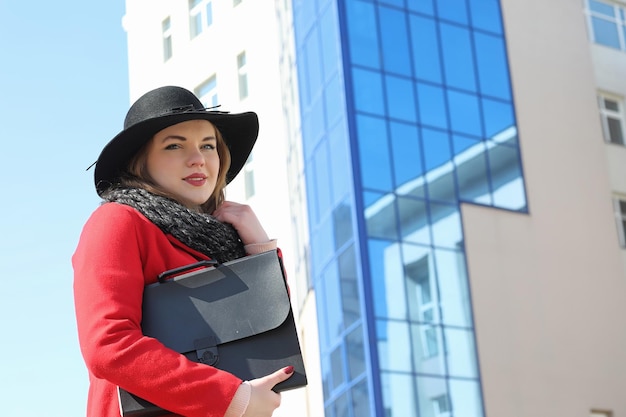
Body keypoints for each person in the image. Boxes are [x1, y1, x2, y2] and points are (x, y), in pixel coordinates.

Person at [72, 85, 293, 417]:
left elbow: (274, 333)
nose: (198, 159)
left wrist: (258, 250)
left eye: (208, 145)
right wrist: (232, 398)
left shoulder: (226, 238)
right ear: (139, 161)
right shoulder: (117, 221)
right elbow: (109, 346)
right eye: (174, 145)